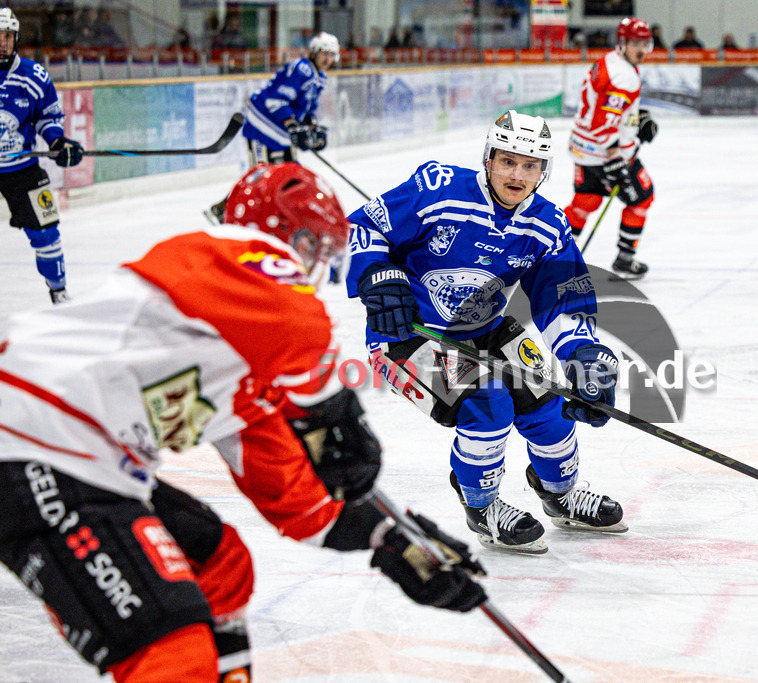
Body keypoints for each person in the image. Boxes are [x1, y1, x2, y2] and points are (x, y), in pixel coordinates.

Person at [0, 162, 486, 682]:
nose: (313, 267)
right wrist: (333, 409)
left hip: (77, 458)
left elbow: (296, 499)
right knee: (172, 653)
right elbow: (292, 320)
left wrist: (393, 539)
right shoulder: (226, 254)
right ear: (282, 236)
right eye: (311, 246)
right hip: (34, 437)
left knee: (220, 562)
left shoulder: (245, 364)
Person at [344, 110, 627, 554]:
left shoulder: (548, 224)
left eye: (530, 165)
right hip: (409, 335)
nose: (517, 174)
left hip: (486, 328)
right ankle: (482, 504)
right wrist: (377, 274)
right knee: (487, 401)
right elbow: (365, 226)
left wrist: (582, 354)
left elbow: (562, 297)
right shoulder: (438, 188)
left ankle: (561, 493)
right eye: (508, 161)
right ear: (488, 158)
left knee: (549, 402)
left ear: (543, 171)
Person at [205, 31, 339, 223]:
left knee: (291, 173)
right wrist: (292, 124)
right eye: (324, 53)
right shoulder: (301, 69)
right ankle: (223, 210)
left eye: (331, 54)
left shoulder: (320, 77)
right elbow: (276, 100)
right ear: (314, 52)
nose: (327, 58)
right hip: (262, 127)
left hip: (282, 133)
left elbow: (308, 107)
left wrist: (311, 127)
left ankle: (285, 214)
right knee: (260, 176)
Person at [0, 8, 84, 305]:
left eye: (7, 36)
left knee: (46, 232)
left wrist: (58, 141)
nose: (2, 42)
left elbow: (47, 117)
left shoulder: (32, 75)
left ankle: (59, 291)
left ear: (16, 38)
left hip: (22, 168)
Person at [565, 17, 658, 279]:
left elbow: (604, 108)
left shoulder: (610, 61)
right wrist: (615, 156)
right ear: (623, 42)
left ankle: (555, 259)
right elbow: (603, 122)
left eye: (645, 43)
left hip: (583, 148)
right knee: (642, 198)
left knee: (585, 203)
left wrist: (636, 118)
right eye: (636, 43)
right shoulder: (623, 76)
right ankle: (625, 259)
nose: (641, 49)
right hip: (608, 153)